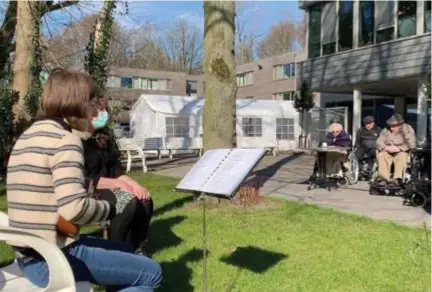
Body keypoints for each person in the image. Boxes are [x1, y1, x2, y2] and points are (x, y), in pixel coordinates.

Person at [6, 68, 162, 291]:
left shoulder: (31, 135)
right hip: (52, 259)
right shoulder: (65, 141)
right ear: (77, 104)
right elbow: (74, 209)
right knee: (152, 273)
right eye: (90, 103)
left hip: (31, 254)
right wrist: (110, 208)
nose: (94, 111)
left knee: (124, 252)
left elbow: (52, 186)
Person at [80, 100, 154, 255]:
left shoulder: (105, 138)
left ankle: (138, 246)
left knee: (145, 199)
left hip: (110, 185)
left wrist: (136, 186)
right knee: (128, 201)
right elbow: (86, 178)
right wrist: (119, 185)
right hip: (89, 189)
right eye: (99, 112)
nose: (103, 116)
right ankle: (116, 249)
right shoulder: (79, 140)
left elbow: (118, 171)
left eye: (105, 112)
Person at [376, 114, 417, 187]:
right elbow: (379, 141)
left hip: (401, 151)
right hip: (388, 150)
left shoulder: (408, 130)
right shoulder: (386, 130)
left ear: (400, 125)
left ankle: (397, 179)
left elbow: (411, 143)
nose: (391, 128)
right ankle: (383, 179)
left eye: (394, 126)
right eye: (390, 126)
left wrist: (399, 148)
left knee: (402, 156)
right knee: (382, 155)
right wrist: (385, 148)